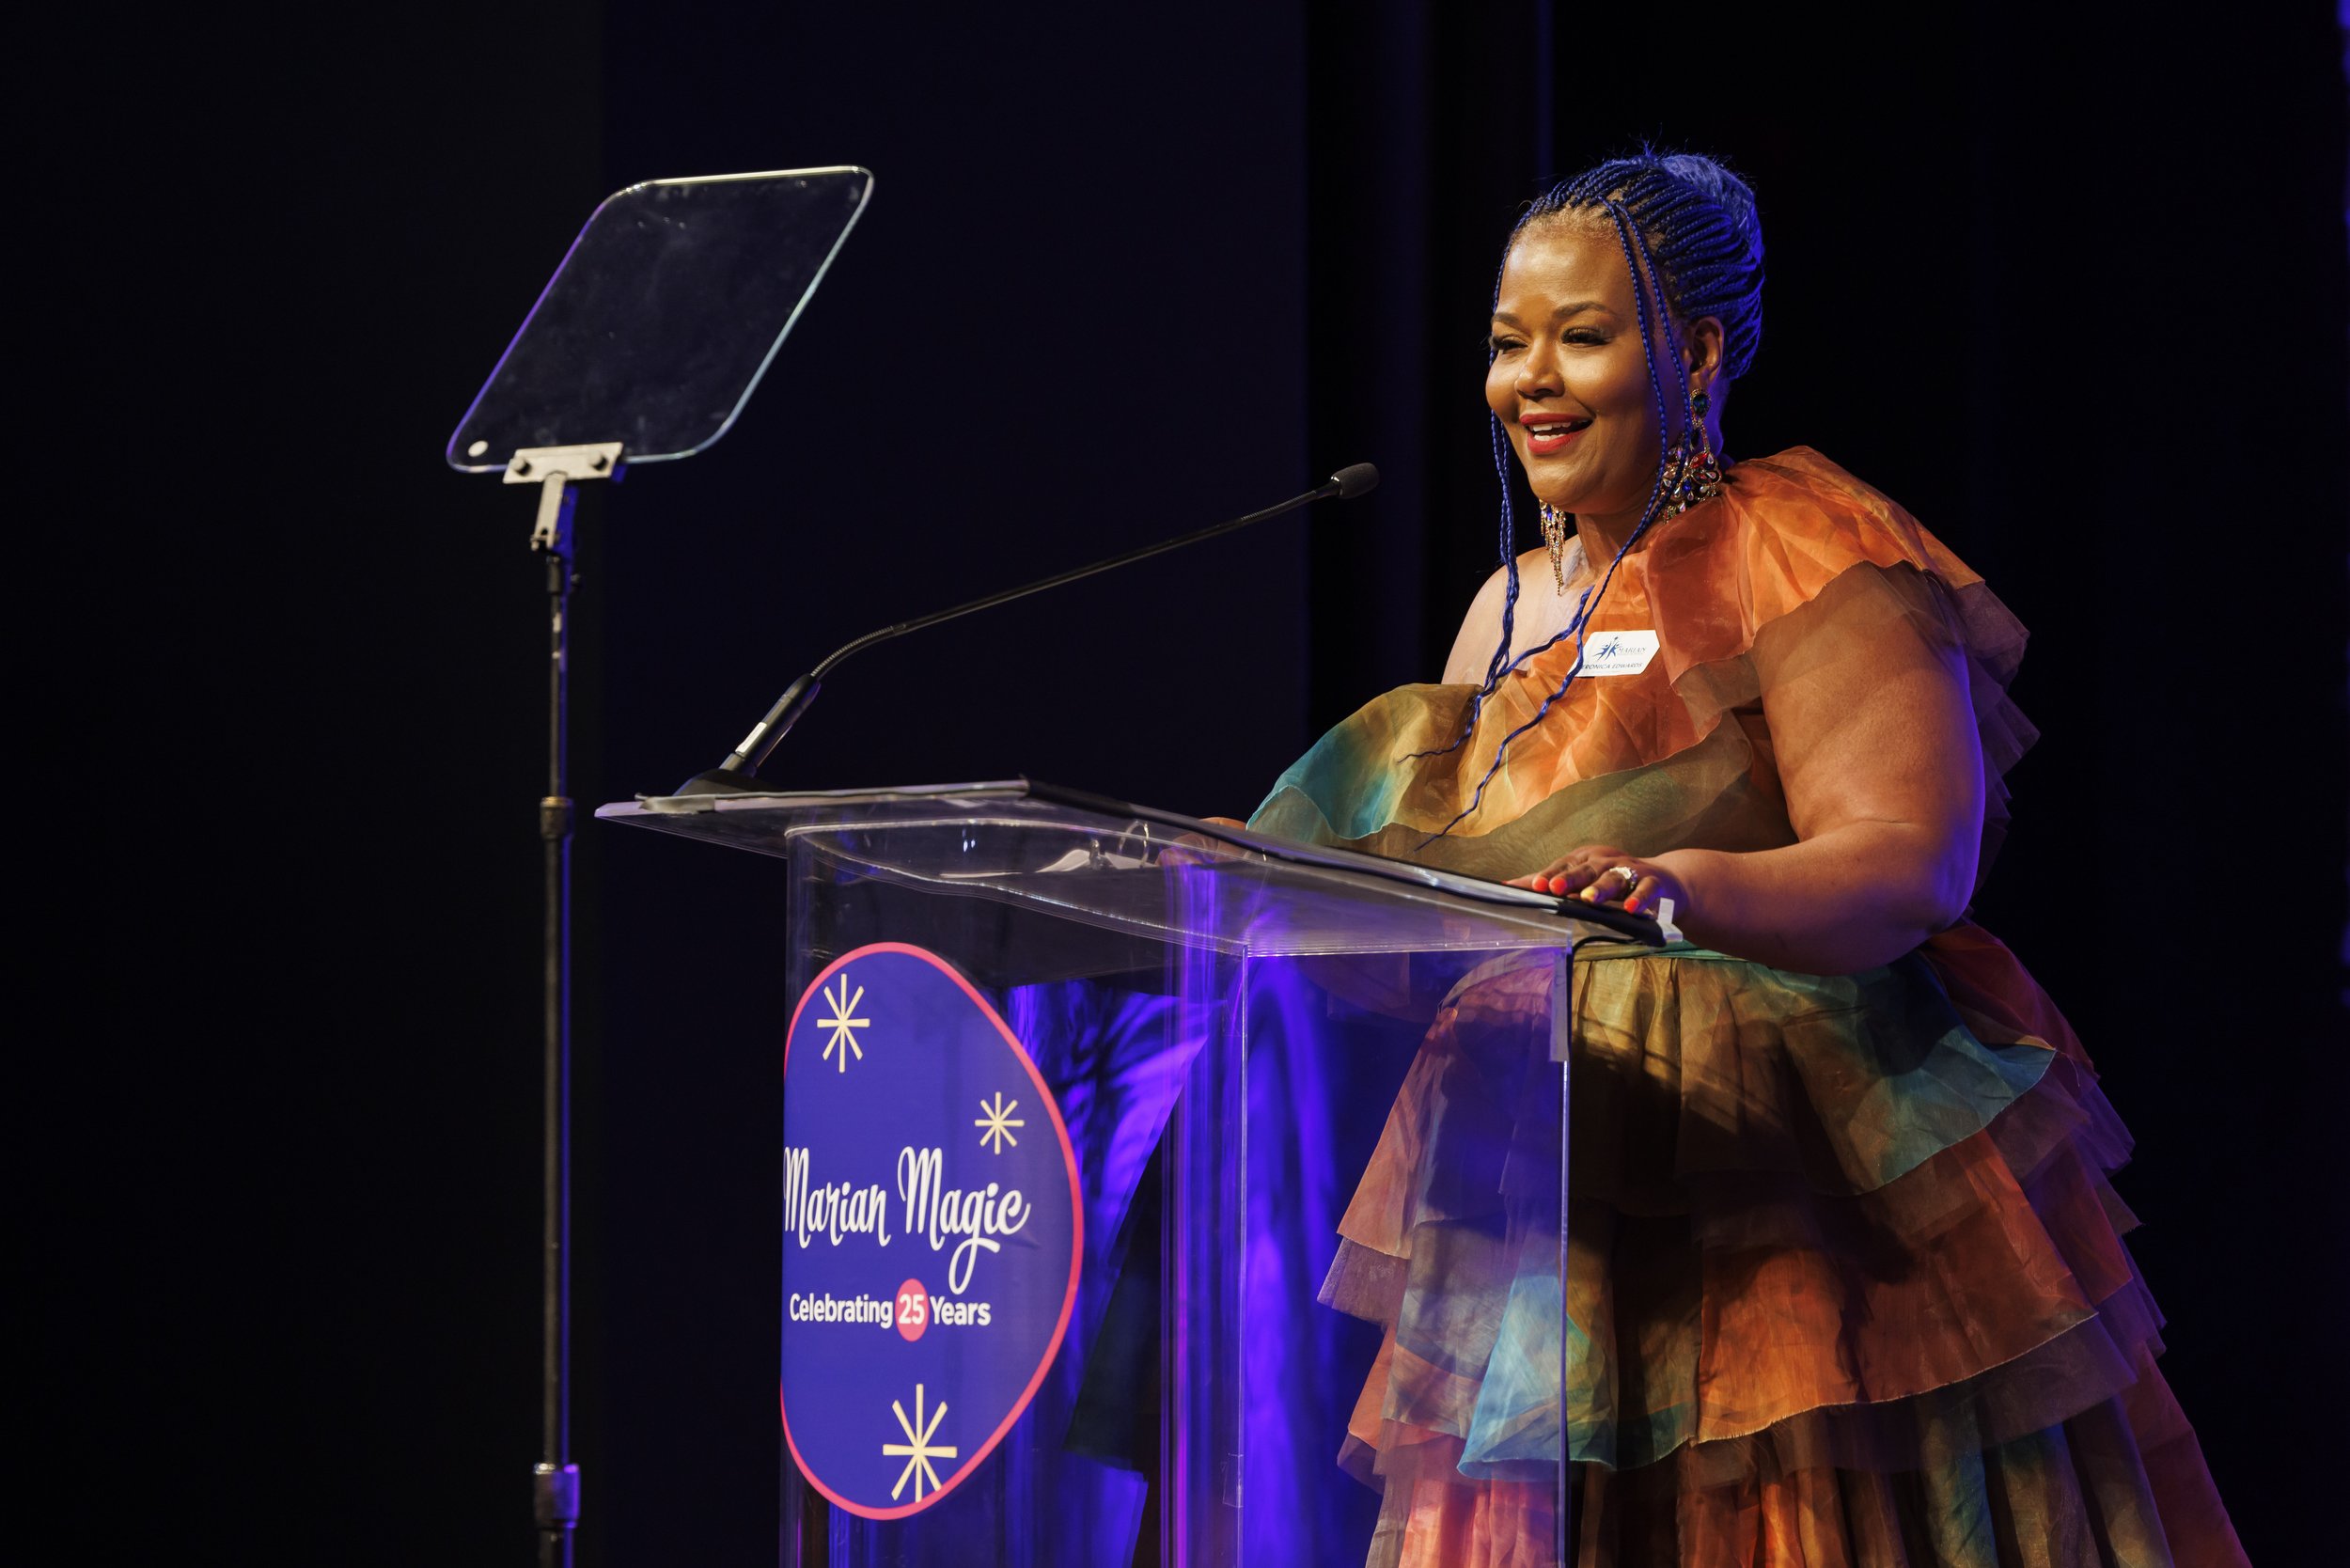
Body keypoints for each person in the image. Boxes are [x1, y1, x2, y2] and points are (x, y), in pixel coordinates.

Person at [1246, 153, 2249, 1567]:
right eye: (1503, 342)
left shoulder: (1806, 543)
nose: (1526, 379)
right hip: (1542, 1188)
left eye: (1580, 336)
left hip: (1784, 1187)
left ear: (1697, 349)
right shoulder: (1506, 610)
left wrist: (1683, 887)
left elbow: (1913, 862)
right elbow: (1459, 882)